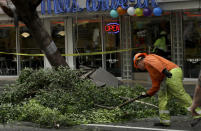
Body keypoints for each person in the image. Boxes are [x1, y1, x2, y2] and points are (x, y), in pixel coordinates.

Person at [133, 53, 194, 127]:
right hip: (166, 75)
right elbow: (156, 84)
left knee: (179, 94)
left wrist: (164, 70)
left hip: (172, 72)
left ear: (138, 61)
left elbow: (156, 62)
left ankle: (198, 114)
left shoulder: (147, 58)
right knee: (162, 97)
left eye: (138, 66)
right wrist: (148, 94)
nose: (139, 68)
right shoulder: (150, 69)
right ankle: (165, 121)